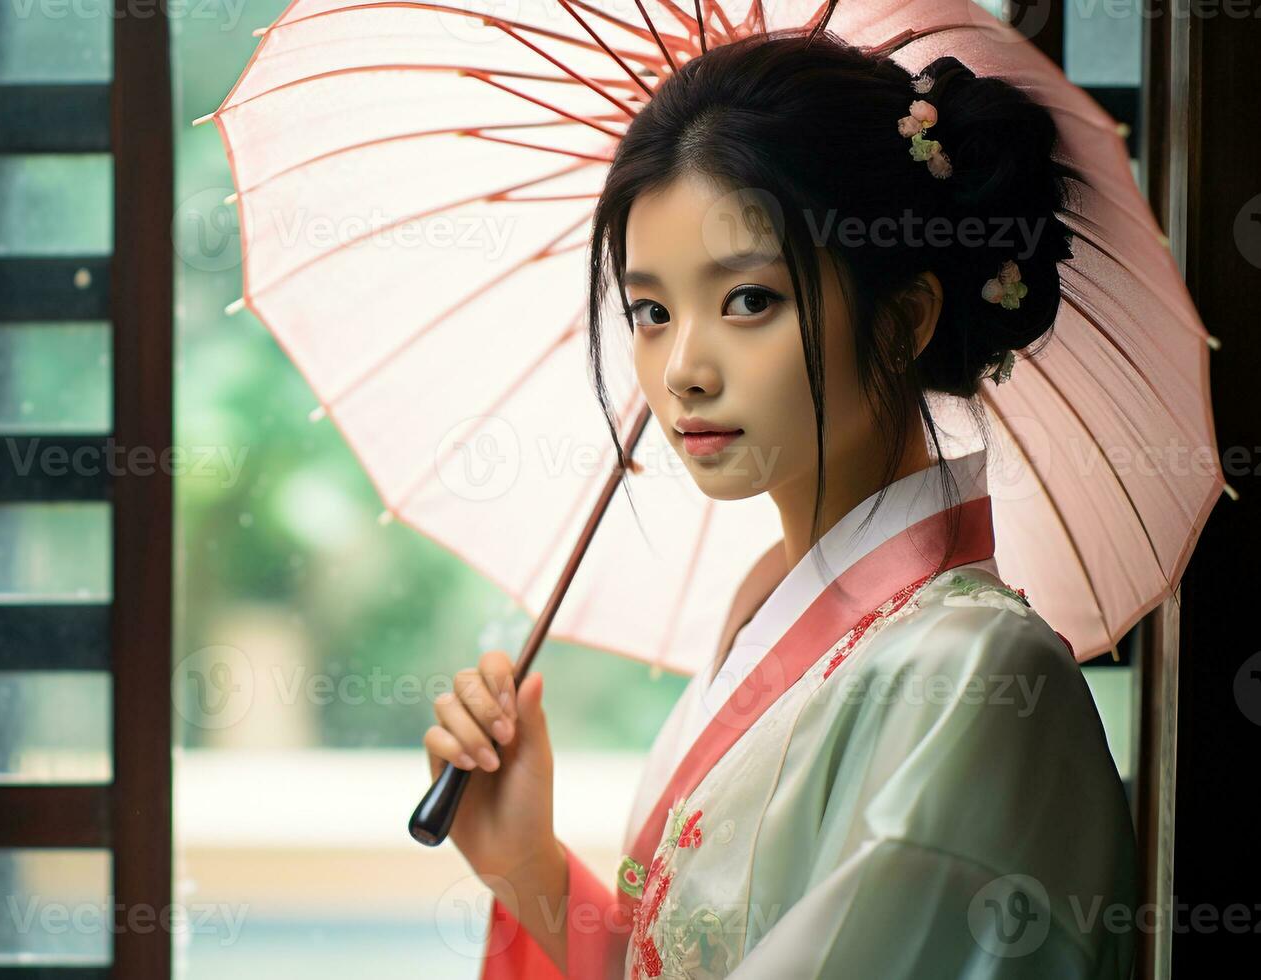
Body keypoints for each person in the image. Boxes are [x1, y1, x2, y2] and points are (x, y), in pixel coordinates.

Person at [420, 30, 1139, 980]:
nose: (681, 371)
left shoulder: (975, 679)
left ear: (901, 319)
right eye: (650, 311)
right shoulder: (765, 613)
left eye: (749, 300)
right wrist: (527, 869)